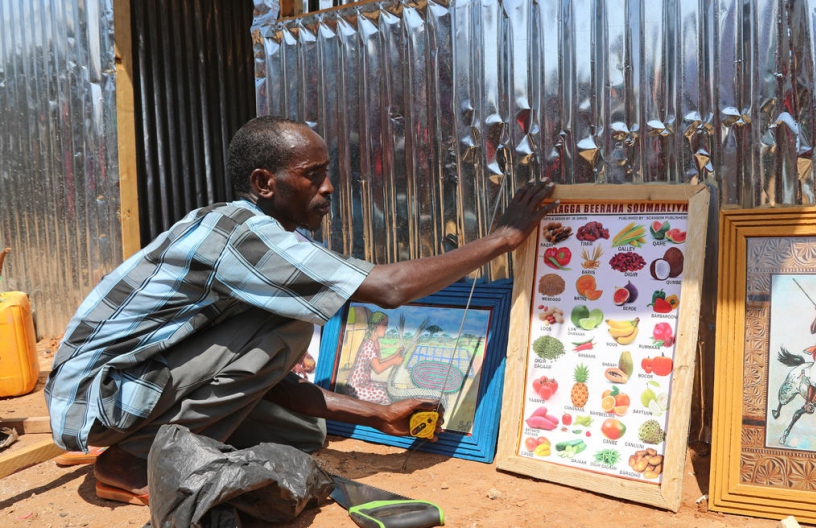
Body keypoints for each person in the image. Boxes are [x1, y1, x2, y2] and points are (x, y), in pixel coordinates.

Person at [44, 115, 557, 505]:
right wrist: (504, 239)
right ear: (265, 183)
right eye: (313, 175)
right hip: (102, 397)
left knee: (300, 434)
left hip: (128, 388)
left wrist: (378, 414)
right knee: (291, 323)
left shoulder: (248, 234)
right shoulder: (241, 235)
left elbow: (245, 367)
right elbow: (389, 288)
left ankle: (150, 446)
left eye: (327, 173)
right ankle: (131, 463)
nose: (328, 188)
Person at [345, 311, 403, 404]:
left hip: (364, 383)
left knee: (389, 387)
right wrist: (394, 361)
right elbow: (378, 369)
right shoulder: (368, 344)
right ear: (375, 325)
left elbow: (378, 362)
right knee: (385, 394)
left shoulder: (375, 343)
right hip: (356, 387)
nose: (387, 328)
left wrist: (395, 355)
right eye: (384, 324)